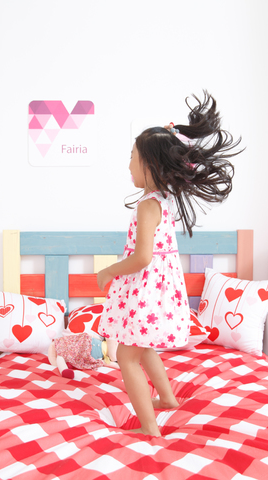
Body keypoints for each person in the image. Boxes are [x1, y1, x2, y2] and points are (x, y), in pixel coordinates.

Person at [97, 91, 242, 436]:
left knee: (126, 356)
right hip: (154, 291)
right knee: (142, 347)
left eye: (132, 157)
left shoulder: (148, 205)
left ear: (150, 164)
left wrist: (108, 270)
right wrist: (166, 139)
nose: (128, 165)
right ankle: (167, 398)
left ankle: (149, 427)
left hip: (145, 290)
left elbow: (142, 257)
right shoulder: (166, 197)